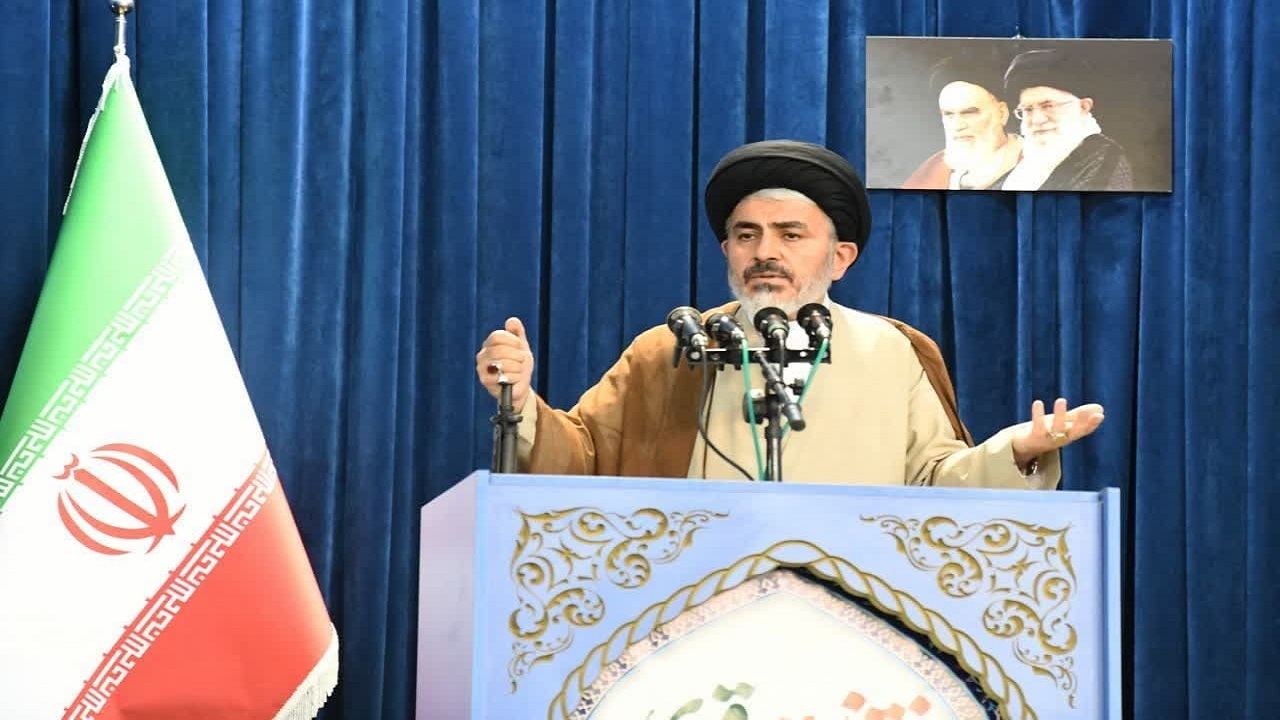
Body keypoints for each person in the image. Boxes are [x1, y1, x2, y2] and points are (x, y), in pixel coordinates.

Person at [475, 140, 1105, 488]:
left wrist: (1016, 450)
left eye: (790, 234)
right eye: (746, 235)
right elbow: (585, 456)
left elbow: (936, 482)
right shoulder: (670, 348)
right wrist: (521, 401)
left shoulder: (892, 350)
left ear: (841, 257)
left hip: (854, 601)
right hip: (696, 598)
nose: (764, 252)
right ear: (727, 251)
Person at [999, 49, 1133, 191]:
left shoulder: (1106, 161)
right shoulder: (1022, 162)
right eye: (1028, 109)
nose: (1037, 120)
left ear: (1083, 107)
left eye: (1048, 106)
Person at [901, 57, 1022, 190]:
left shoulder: (1032, 162)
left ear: (1002, 113)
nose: (957, 126)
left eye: (969, 113)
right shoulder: (933, 171)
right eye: (948, 114)